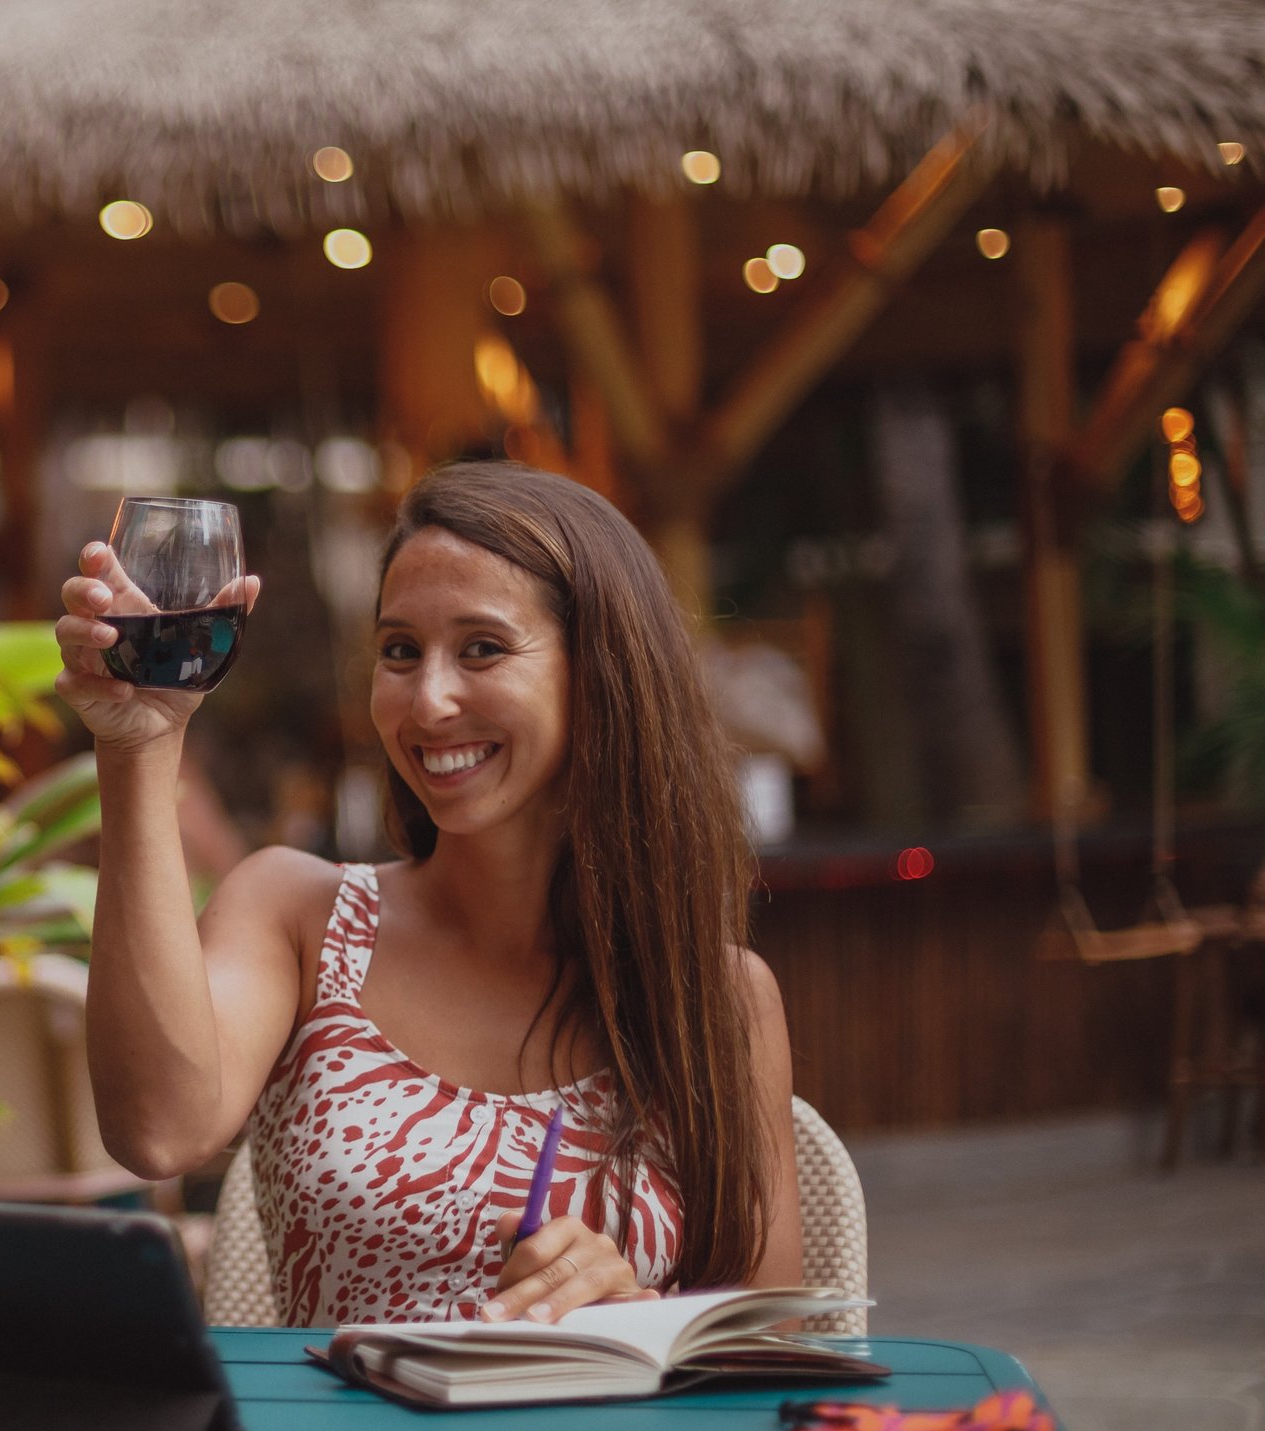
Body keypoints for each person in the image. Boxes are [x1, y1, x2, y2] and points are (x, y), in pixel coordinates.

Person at [58, 461, 800, 1327]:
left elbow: (771, 1338)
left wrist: (636, 1312)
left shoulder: (717, 997)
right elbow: (157, 1130)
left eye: (482, 648)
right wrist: (140, 749)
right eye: (400, 651)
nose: (429, 699)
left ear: (600, 675)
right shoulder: (302, 916)